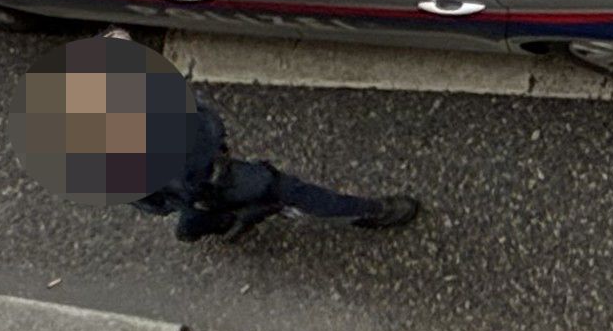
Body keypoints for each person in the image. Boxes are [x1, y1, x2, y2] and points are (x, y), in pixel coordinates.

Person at [136, 97, 418, 242]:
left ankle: (222, 223)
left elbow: (153, 204)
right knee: (288, 190)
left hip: (189, 190)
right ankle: (371, 212)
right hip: (216, 177)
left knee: (198, 215)